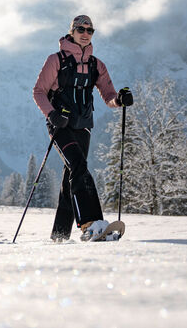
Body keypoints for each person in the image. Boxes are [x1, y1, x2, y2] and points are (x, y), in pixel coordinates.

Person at [32, 15, 134, 242]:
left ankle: (59, 235)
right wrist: (52, 114)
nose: (85, 33)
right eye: (81, 29)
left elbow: (108, 96)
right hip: (60, 125)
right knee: (79, 166)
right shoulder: (55, 60)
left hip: (83, 127)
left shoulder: (97, 65)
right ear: (72, 31)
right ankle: (91, 223)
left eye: (90, 30)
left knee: (72, 173)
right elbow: (39, 91)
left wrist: (120, 99)